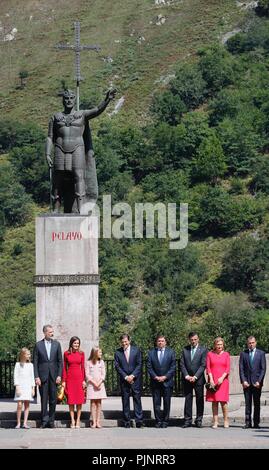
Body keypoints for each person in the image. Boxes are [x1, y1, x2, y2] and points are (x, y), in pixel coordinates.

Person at [45, 88, 116, 213]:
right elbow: (50, 137)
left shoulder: (82, 114)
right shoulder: (56, 117)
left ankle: (81, 208)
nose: (69, 101)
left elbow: (97, 110)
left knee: (79, 176)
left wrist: (107, 100)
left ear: (74, 99)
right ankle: (56, 209)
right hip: (59, 149)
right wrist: (47, 153)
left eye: (71, 98)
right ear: (63, 100)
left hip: (77, 148)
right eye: (66, 98)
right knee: (58, 179)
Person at [33, 324, 63, 428]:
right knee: (44, 400)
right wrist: (36, 377)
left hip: (54, 377)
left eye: (52, 331)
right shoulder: (38, 345)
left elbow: (60, 362)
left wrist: (59, 375)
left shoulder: (57, 344)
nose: (52, 333)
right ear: (45, 332)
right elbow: (35, 362)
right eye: (50, 332)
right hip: (42, 377)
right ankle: (44, 421)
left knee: (53, 400)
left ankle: (51, 421)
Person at [114, 334, 144, 428]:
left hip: (135, 379)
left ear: (129, 341)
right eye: (122, 342)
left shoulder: (136, 350)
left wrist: (132, 375)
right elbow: (117, 366)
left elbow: (139, 364)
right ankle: (127, 421)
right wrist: (126, 377)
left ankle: (139, 421)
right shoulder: (118, 352)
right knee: (125, 401)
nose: (124, 343)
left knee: (137, 400)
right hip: (124, 380)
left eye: (126, 341)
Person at [147, 334, 176, 428]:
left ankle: (165, 421)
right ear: (156, 342)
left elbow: (173, 367)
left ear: (165, 342)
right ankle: (158, 421)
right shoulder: (151, 353)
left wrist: (165, 377)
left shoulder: (171, 352)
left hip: (167, 382)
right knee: (156, 403)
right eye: (159, 341)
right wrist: (155, 377)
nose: (160, 342)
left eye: (162, 341)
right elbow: (149, 367)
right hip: (155, 382)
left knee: (167, 402)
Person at [180, 332, 207, 428]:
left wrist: (195, 376)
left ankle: (199, 420)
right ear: (189, 340)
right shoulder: (185, 350)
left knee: (199, 399)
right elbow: (182, 364)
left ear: (198, 339)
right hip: (187, 379)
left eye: (195, 339)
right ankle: (187, 420)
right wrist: (187, 376)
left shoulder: (203, 350)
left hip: (198, 379)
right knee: (188, 399)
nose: (193, 341)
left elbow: (203, 365)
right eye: (191, 339)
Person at [239, 335, 266, 429]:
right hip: (247, 383)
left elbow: (263, 369)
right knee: (248, 403)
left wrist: (259, 381)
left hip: (257, 383)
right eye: (249, 343)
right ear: (247, 344)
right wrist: (243, 381)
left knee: (257, 404)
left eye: (253, 343)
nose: (251, 345)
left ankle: (256, 423)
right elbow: (241, 369)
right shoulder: (243, 354)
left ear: (256, 343)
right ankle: (247, 422)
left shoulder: (261, 353)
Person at [62, 336, 86, 428]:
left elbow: (83, 367)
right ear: (71, 343)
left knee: (79, 401)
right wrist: (64, 381)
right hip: (70, 379)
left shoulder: (81, 353)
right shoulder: (66, 353)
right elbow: (64, 368)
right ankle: (72, 420)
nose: (76, 345)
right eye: (75, 343)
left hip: (79, 378)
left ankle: (78, 421)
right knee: (71, 401)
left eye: (78, 343)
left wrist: (84, 380)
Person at [206, 337, 230, 429]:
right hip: (213, 380)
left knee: (223, 402)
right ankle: (215, 421)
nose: (219, 346)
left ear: (223, 345)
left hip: (223, 381)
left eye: (221, 344)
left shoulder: (226, 354)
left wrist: (222, 378)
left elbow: (227, 368)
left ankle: (226, 420)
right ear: (215, 345)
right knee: (214, 402)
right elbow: (208, 368)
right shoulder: (210, 354)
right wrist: (211, 379)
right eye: (218, 344)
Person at [13, 348, 35, 429]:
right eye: (28, 354)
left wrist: (33, 388)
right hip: (20, 386)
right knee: (19, 405)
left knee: (27, 404)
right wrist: (17, 387)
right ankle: (18, 422)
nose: (29, 355)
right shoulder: (17, 364)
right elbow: (15, 376)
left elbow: (32, 377)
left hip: (28, 386)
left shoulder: (30, 365)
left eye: (29, 354)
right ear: (23, 355)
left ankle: (25, 423)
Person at [86, 346, 107, 428]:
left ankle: (98, 421)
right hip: (92, 385)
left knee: (98, 403)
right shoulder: (88, 362)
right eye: (99, 352)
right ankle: (93, 421)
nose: (101, 354)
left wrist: (100, 382)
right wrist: (94, 382)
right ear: (95, 353)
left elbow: (103, 373)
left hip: (100, 385)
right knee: (93, 404)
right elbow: (87, 374)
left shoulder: (101, 362)